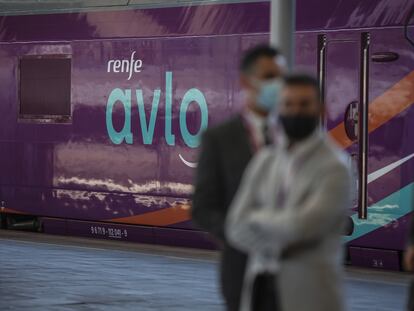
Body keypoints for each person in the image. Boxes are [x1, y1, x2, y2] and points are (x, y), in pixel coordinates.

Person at [226, 74, 351, 311]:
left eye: (304, 104)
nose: (295, 111)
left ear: (321, 109)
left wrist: (258, 220)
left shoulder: (336, 167)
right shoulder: (266, 160)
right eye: (288, 104)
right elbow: (235, 224)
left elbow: (304, 226)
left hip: (310, 297)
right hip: (260, 291)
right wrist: (280, 237)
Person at [191, 45, 285, 311]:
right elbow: (203, 207)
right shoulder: (219, 138)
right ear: (246, 81)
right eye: (269, 77)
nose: (277, 85)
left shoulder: (295, 136)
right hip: (242, 270)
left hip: (294, 274)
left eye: (281, 77)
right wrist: (239, 234)